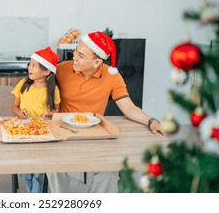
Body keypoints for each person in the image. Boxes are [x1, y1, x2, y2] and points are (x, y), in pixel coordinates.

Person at [47, 31, 164, 193]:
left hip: (94, 134)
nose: (74, 57)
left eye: (80, 55)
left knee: (110, 170)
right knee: (52, 168)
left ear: (97, 62)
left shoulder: (111, 76)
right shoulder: (61, 69)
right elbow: (40, 92)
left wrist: (151, 121)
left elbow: (129, 107)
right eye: (75, 51)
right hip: (64, 133)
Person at [11, 46, 61, 193]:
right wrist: (19, 112)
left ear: (46, 72)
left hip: (42, 133)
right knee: (25, 169)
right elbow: (13, 107)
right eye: (30, 64)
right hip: (23, 132)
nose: (29, 68)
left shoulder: (53, 90)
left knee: (39, 171)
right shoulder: (22, 84)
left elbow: (57, 110)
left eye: (34, 65)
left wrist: (50, 114)